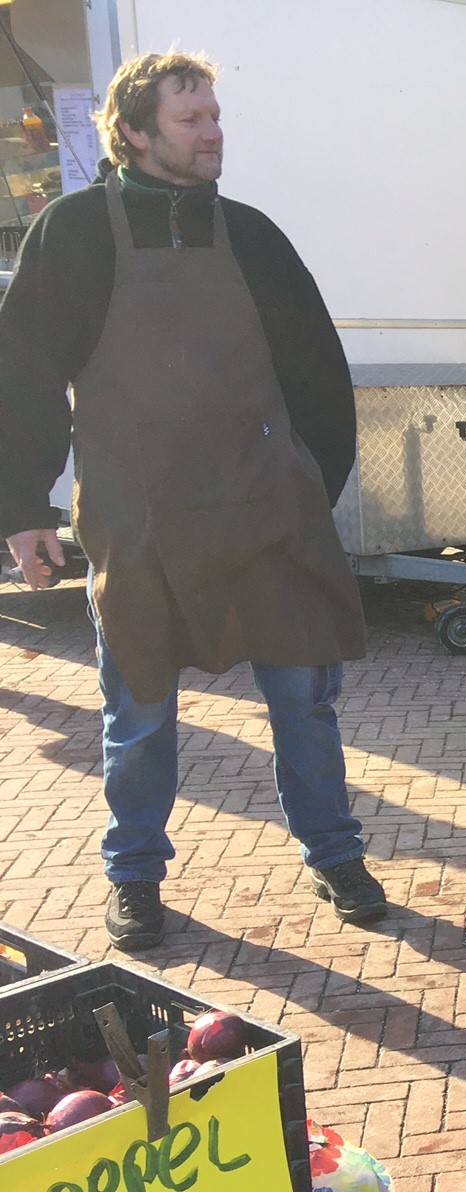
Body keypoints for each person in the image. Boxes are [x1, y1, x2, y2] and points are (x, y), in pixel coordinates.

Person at [0, 53, 385, 950]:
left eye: (215, 115)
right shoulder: (74, 234)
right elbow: (21, 376)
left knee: (305, 698)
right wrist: (23, 507)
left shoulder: (251, 235)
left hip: (264, 513)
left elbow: (316, 371)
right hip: (139, 522)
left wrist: (311, 484)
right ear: (133, 131)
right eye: (191, 119)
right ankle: (132, 875)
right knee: (136, 711)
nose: (213, 132)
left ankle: (334, 853)